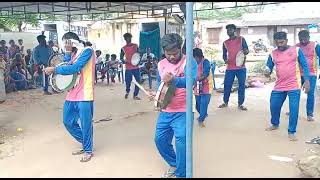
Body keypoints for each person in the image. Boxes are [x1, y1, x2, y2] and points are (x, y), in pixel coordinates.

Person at [147, 33, 198, 178]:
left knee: (182, 140)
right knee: (160, 139)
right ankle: (175, 163)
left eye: (175, 53)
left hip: (184, 110)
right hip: (166, 109)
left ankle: (181, 174)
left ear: (180, 49)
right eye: (168, 54)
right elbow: (160, 84)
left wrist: (174, 79)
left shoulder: (189, 61)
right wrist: (155, 94)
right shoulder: (161, 64)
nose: (171, 57)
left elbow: (191, 82)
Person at [43, 32, 95, 162]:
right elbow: (66, 66)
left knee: (86, 124)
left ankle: (88, 150)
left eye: (66, 43)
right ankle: (85, 143)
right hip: (72, 93)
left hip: (85, 94)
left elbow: (75, 68)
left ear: (72, 42)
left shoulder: (87, 51)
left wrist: (54, 69)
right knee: (67, 122)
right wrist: (67, 53)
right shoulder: (72, 53)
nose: (65, 45)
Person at [264, 31, 310, 141]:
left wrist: (307, 80)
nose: (280, 44)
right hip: (279, 85)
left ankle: (291, 131)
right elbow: (269, 66)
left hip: (294, 84)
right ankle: (275, 123)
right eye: (277, 43)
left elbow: (304, 65)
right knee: (274, 105)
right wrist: (267, 71)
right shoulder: (273, 53)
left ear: (287, 40)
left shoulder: (296, 50)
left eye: (282, 42)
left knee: (293, 109)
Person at [218, 24, 249, 111]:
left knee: (241, 86)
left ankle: (240, 104)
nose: (229, 31)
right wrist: (225, 60)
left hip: (241, 67)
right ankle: (225, 102)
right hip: (230, 68)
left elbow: (246, 50)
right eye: (227, 30)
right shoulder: (225, 43)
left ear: (234, 30)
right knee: (227, 85)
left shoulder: (241, 39)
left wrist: (245, 51)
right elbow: (224, 55)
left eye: (230, 30)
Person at [294, 30, 320, 121]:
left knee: (310, 94)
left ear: (309, 37)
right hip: (297, 74)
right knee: (294, 93)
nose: (303, 41)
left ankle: (309, 114)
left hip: (311, 73)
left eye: (305, 39)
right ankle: (293, 110)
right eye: (301, 40)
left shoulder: (315, 45)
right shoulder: (296, 47)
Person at [193, 48, 213, 128]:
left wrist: (193, 79)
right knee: (197, 105)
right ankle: (203, 114)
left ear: (198, 57)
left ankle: (201, 120)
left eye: (194, 58)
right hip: (197, 87)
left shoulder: (205, 62)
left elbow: (205, 74)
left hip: (206, 87)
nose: (193, 60)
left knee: (204, 104)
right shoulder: (193, 63)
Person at [120, 33, 141, 100]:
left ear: (131, 38)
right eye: (127, 38)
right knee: (128, 81)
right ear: (125, 39)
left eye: (129, 38)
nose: (128, 39)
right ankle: (127, 91)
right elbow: (121, 58)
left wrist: (137, 61)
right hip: (128, 67)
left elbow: (138, 54)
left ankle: (135, 95)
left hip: (136, 67)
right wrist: (126, 62)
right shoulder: (123, 48)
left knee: (138, 81)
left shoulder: (135, 46)